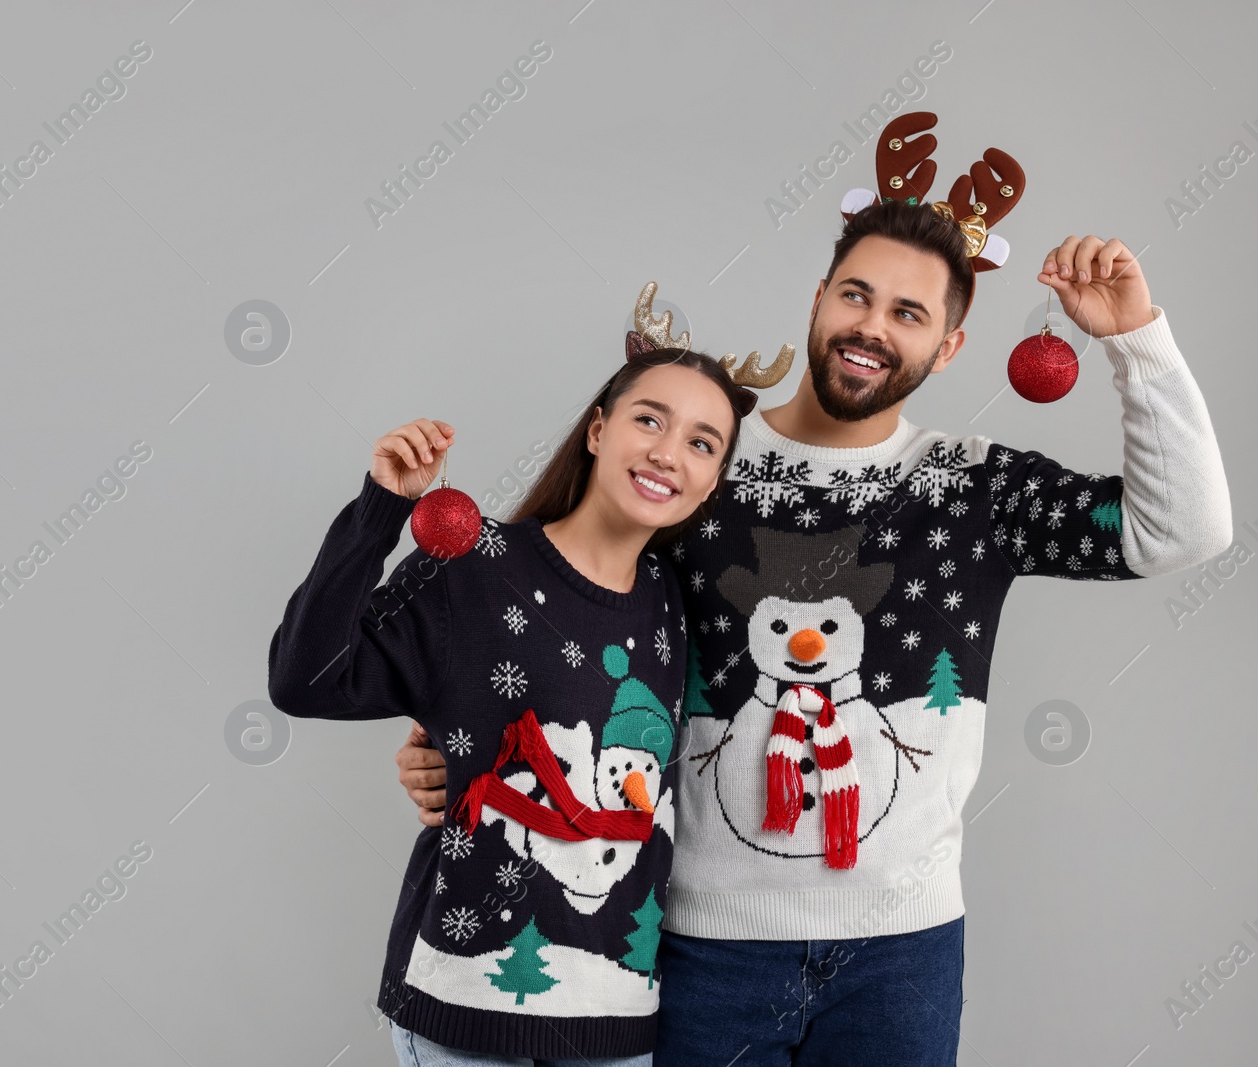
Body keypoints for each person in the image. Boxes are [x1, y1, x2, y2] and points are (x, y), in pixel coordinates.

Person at [394, 113, 1233, 1065]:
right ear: (818, 298)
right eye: (856, 295)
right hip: (698, 941)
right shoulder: (698, 461)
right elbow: (563, 603)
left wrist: (1139, 341)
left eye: (909, 314)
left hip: (904, 953)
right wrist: (455, 735)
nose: (872, 327)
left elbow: (1186, 529)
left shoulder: (974, 487)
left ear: (948, 347)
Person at [266, 324, 784, 1065]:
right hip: (464, 1006)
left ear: (714, 476)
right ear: (599, 430)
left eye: (704, 443)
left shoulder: (679, 602)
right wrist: (381, 506)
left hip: (614, 1016)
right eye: (649, 419)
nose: (670, 452)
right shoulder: (477, 566)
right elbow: (304, 678)